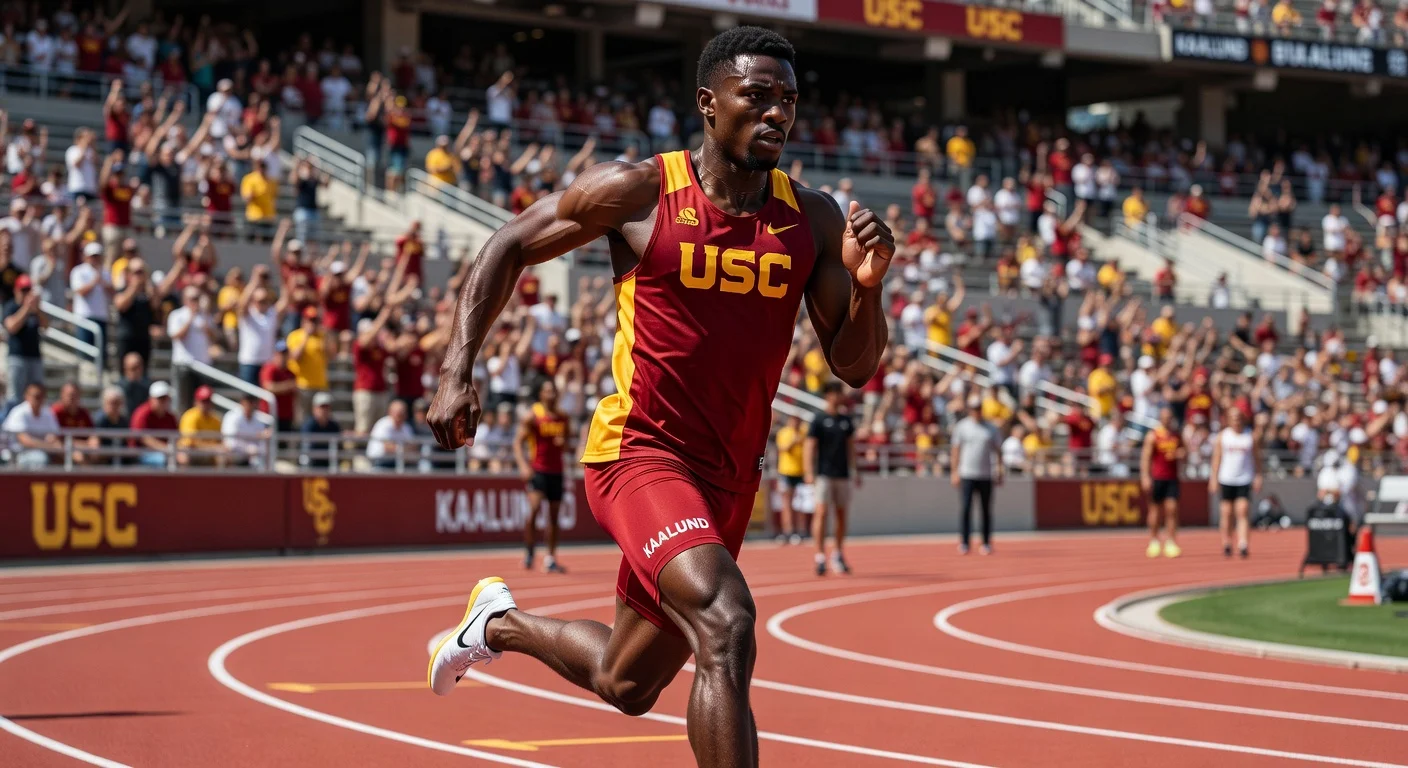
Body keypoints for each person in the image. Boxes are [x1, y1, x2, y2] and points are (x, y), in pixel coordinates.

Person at [424, 28, 894, 765]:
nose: (778, 114)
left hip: (730, 477)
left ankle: (496, 626)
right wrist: (457, 368)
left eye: (790, 101)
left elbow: (855, 367)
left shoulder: (813, 218)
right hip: (640, 454)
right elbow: (509, 242)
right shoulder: (640, 190)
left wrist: (868, 289)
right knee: (727, 621)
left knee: (627, 680)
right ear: (709, 104)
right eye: (759, 96)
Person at [514, 379, 570, 573]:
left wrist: (563, 442)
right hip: (538, 470)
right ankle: (530, 551)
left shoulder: (563, 417)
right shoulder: (532, 416)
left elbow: (567, 443)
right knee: (534, 511)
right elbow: (517, 443)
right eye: (548, 391)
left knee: (554, 518)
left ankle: (550, 558)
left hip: (557, 471)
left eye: (554, 391)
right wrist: (523, 466)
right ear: (541, 395)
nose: (551, 395)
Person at [804, 382, 857, 575]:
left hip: (842, 474)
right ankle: (819, 556)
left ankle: (838, 553)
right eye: (835, 393)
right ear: (828, 395)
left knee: (841, 515)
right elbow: (810, 446)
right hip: (824, 474)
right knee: (821, 512)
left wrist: (855, 471)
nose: (838, 397)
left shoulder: (846, 421)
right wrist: (809, 471)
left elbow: (851, 448)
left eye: (839, 393)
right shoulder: (818, 419)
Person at [951, 395, 1002, 554]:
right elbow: (956, 450)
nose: (977, 412)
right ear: (970, 410)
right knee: (966, 509)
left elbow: (998, 450)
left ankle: (986, 542)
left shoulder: (991, 428)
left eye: (979, 408)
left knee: (986, 510)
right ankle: (965, 542)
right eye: (974, 409)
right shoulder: (962, 427)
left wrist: (1000, 469)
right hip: (967, 473)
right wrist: (954, 471)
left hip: (986, 474)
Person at [1210, 405, 1261, 558]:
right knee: (1226, 512)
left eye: (1238, 418)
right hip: (1226, 478)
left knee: (1243, 510)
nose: (1236, 421)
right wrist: (1213, 478)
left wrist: (1258, 475)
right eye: (1233, 418)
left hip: (1244, 478)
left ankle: (1243, 543)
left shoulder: (1249, 436)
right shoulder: (1223, 436)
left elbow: (1257, 458)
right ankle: (1226, 542)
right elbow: (1216, 458)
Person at [1140, 405, 1185, 558]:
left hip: (1172, 478)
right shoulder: (1153, 436)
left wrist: (1180, 454)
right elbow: (1146, 457)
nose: (1167, 420)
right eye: (1164, 418)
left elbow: (1185, 452)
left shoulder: (1176, 435)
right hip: (1157, 477)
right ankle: (1154, 540)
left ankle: (1171, 541)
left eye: (1169, 418)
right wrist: (1145, 477)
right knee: (1155, 511)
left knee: (1172, 510)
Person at [3, 274, 45, 414]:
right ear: (16, 290)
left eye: (28, 290)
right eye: (23, 290)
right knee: (15, 397)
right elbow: (11, 326)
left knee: (36, 394)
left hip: (34, 356)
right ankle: (10, 429)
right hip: (17, 357)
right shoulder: (11, 306)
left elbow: (46, 326)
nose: (26, 293)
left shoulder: (35, 310)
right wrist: (26, 309)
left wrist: (37, 309)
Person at [3, 382, 62, 468]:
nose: (39, 399)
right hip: (15, 456)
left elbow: (52, 437)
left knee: (65, 457)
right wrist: (50, 446)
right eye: (36, 396)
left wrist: (54, 445)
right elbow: (25, 441)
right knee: (40, 459)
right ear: (26, 396)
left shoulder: (47, 413)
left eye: (41, 396)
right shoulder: (19, 413)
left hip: (42, 452)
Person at [773, 413, 807, 544]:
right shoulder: (784, 433)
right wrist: (794, 440)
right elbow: (783, 449)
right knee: (786, 503)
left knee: (801, 504)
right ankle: (788, 531)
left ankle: (801, 530)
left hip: (801, 472)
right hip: (786, 472)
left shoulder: (804, 433)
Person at [366, 399, 416, 470]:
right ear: (390, 412)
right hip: (379, 462)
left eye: (403, 413)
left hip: (399, 462)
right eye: (398, 413)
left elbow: (413, 447)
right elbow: (387, 447)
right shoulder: (383, 424)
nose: (400, 416)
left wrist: (400, 449)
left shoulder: (406, 427)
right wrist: (404, 449)